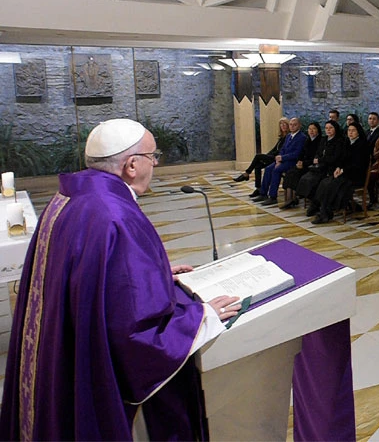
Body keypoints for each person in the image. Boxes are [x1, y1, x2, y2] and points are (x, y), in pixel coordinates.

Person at [0, 119, 240, 440]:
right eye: (153, 157)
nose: (155, 164)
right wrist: (201, 317)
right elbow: (134, 333)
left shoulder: (69, 198)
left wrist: (151, 275)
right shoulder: (116, 214)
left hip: (59, 354)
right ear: (131, 165)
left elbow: (86, 270)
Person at [312, 122, 369, 224]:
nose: (350, 133)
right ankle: (324, 210)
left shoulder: (362, 145)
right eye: (349, 130)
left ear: (359, 132)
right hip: (345, 173)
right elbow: (342, 160)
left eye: (353, 130)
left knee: (332, 184)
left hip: (356, 175)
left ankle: (325, 212)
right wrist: (338, 168)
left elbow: (358, 164)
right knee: (325, 183)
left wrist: (343, 170)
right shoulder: (347, 142)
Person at [256, 117, 307, 206]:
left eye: (294, 125)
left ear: (299, 125)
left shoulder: (302, 137)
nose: (292, 127)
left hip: (292, 161)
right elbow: (282, 149)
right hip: (283, 160)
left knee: (276, 170)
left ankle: (273, 196)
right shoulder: (288, 136)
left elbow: (296, 153)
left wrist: (282, 158)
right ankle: (263, 193)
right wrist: (279, 159)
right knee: (268, 168)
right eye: (291, 124)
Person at [298, 120, 345, 215]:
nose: (328, 130)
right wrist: (317, 158)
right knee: (306, 179)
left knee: (317, 181)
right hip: (320, 166)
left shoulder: (339, 141)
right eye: (326, 128)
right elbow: (318, 152)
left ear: (335, 129)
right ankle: (314, 201)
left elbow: (335, 157)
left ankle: (316, 204)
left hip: (331, 167)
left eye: (331, 128)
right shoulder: (324, 139)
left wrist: (320, 160)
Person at [235, 117, 288, 194]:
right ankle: (258, 188)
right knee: (258, 165)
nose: (282, 126)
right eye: (281, 124)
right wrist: (266, 156)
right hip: (274, 156)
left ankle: (247, 173)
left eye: (284, 124)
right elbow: (274, 149)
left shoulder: (288, 137)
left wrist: (266, 156)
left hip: (279, 158)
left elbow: (279, 151)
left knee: (258, 156)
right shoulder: (282, 137)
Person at [282, 122, 322, 209]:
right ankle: (290, 198)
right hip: (303, 164)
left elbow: (315, 158)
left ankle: (296, 197)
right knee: (290, 172)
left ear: (318, 130)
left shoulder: (320, 141)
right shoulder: (307, 140)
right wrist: (299, 161)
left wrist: (303, 163)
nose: (311, 131)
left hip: (312, 166)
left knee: (296, 174)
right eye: (309, 129)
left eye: (313, 129)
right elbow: (301, 153)